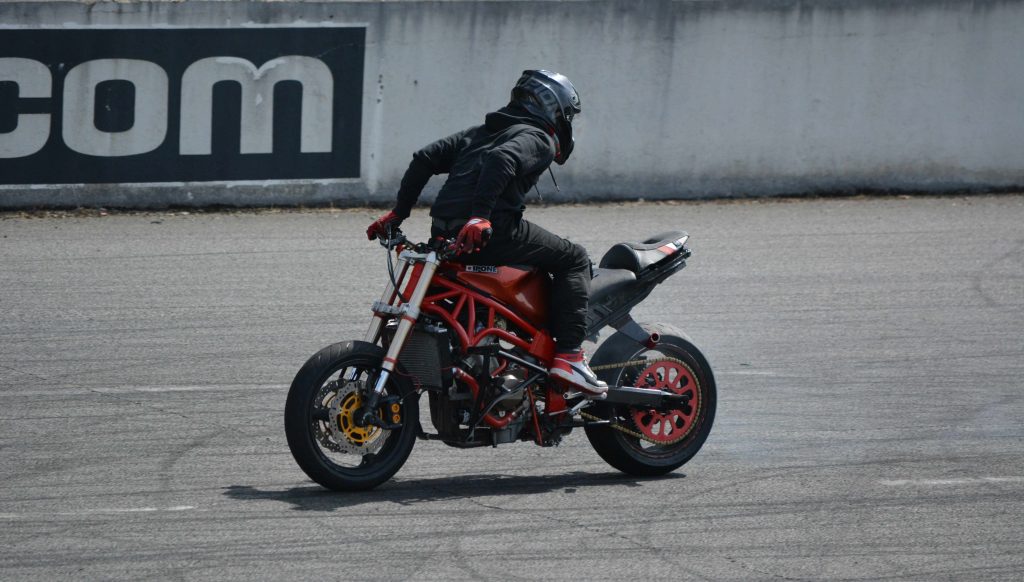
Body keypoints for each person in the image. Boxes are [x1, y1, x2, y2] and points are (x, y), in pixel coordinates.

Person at [366, 69, 607, 395]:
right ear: (556, 110)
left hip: (445, 234)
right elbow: (502, 158)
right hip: (492, 233)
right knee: (574, 258)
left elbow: (424, 158)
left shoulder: (479, 133)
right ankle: (569, 356)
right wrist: (480, 217)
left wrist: (399, 213)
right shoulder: (538, 138)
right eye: (568, 116)